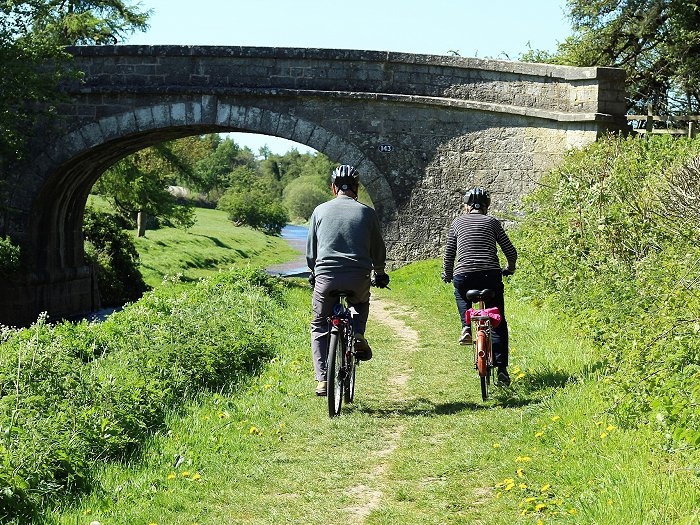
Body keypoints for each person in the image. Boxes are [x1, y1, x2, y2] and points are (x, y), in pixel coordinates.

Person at [306, 164, 389, 396]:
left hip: (326, 277)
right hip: (358, 276)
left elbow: (311, 250)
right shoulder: (367, 212)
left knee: (320, 324)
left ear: (334, 188)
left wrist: (313, 271)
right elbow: (377, 249)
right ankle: (359, 333)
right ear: (357, 188)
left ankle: (322, 380)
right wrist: (380, 273)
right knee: (360, 303)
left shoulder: (319, 211)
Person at [441, 187, 517, 386]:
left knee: (460, 293)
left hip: (464, 276)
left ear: (466, 206)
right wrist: (510, 267)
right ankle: (502, 369)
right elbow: (510, 250)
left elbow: (449, 253)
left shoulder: (457, 222)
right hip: (490, 276)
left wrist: (447, 274)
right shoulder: (492, 222)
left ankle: (466, 326)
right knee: (498, 320)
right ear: (486, 206)